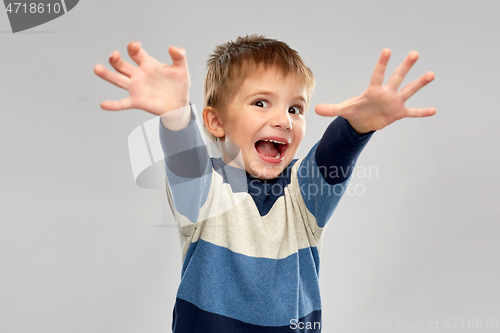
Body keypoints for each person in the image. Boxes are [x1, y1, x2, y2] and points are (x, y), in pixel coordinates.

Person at [94, 34, 435, 332]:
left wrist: (357, 126)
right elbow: (185, 159)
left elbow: (332, 158)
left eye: (295, 109)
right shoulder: (204, 191)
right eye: (261, 103)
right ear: (215, 121)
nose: (283, 121)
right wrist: (175, 115)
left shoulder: (304, 197)